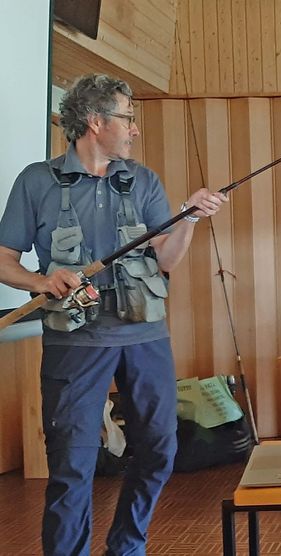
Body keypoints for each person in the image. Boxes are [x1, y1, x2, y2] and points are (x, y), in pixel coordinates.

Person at [0, 74, 227, 556]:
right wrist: (43, 282)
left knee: (160, 451)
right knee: (71, 466)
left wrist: (187, 218)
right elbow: (3, 259)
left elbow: (165, 260)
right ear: (96, 121)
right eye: (128, 118)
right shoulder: (35, 181)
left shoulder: (143, 180)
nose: (134, 129)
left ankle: (126, 546)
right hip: (75, 347)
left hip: (145, 340)